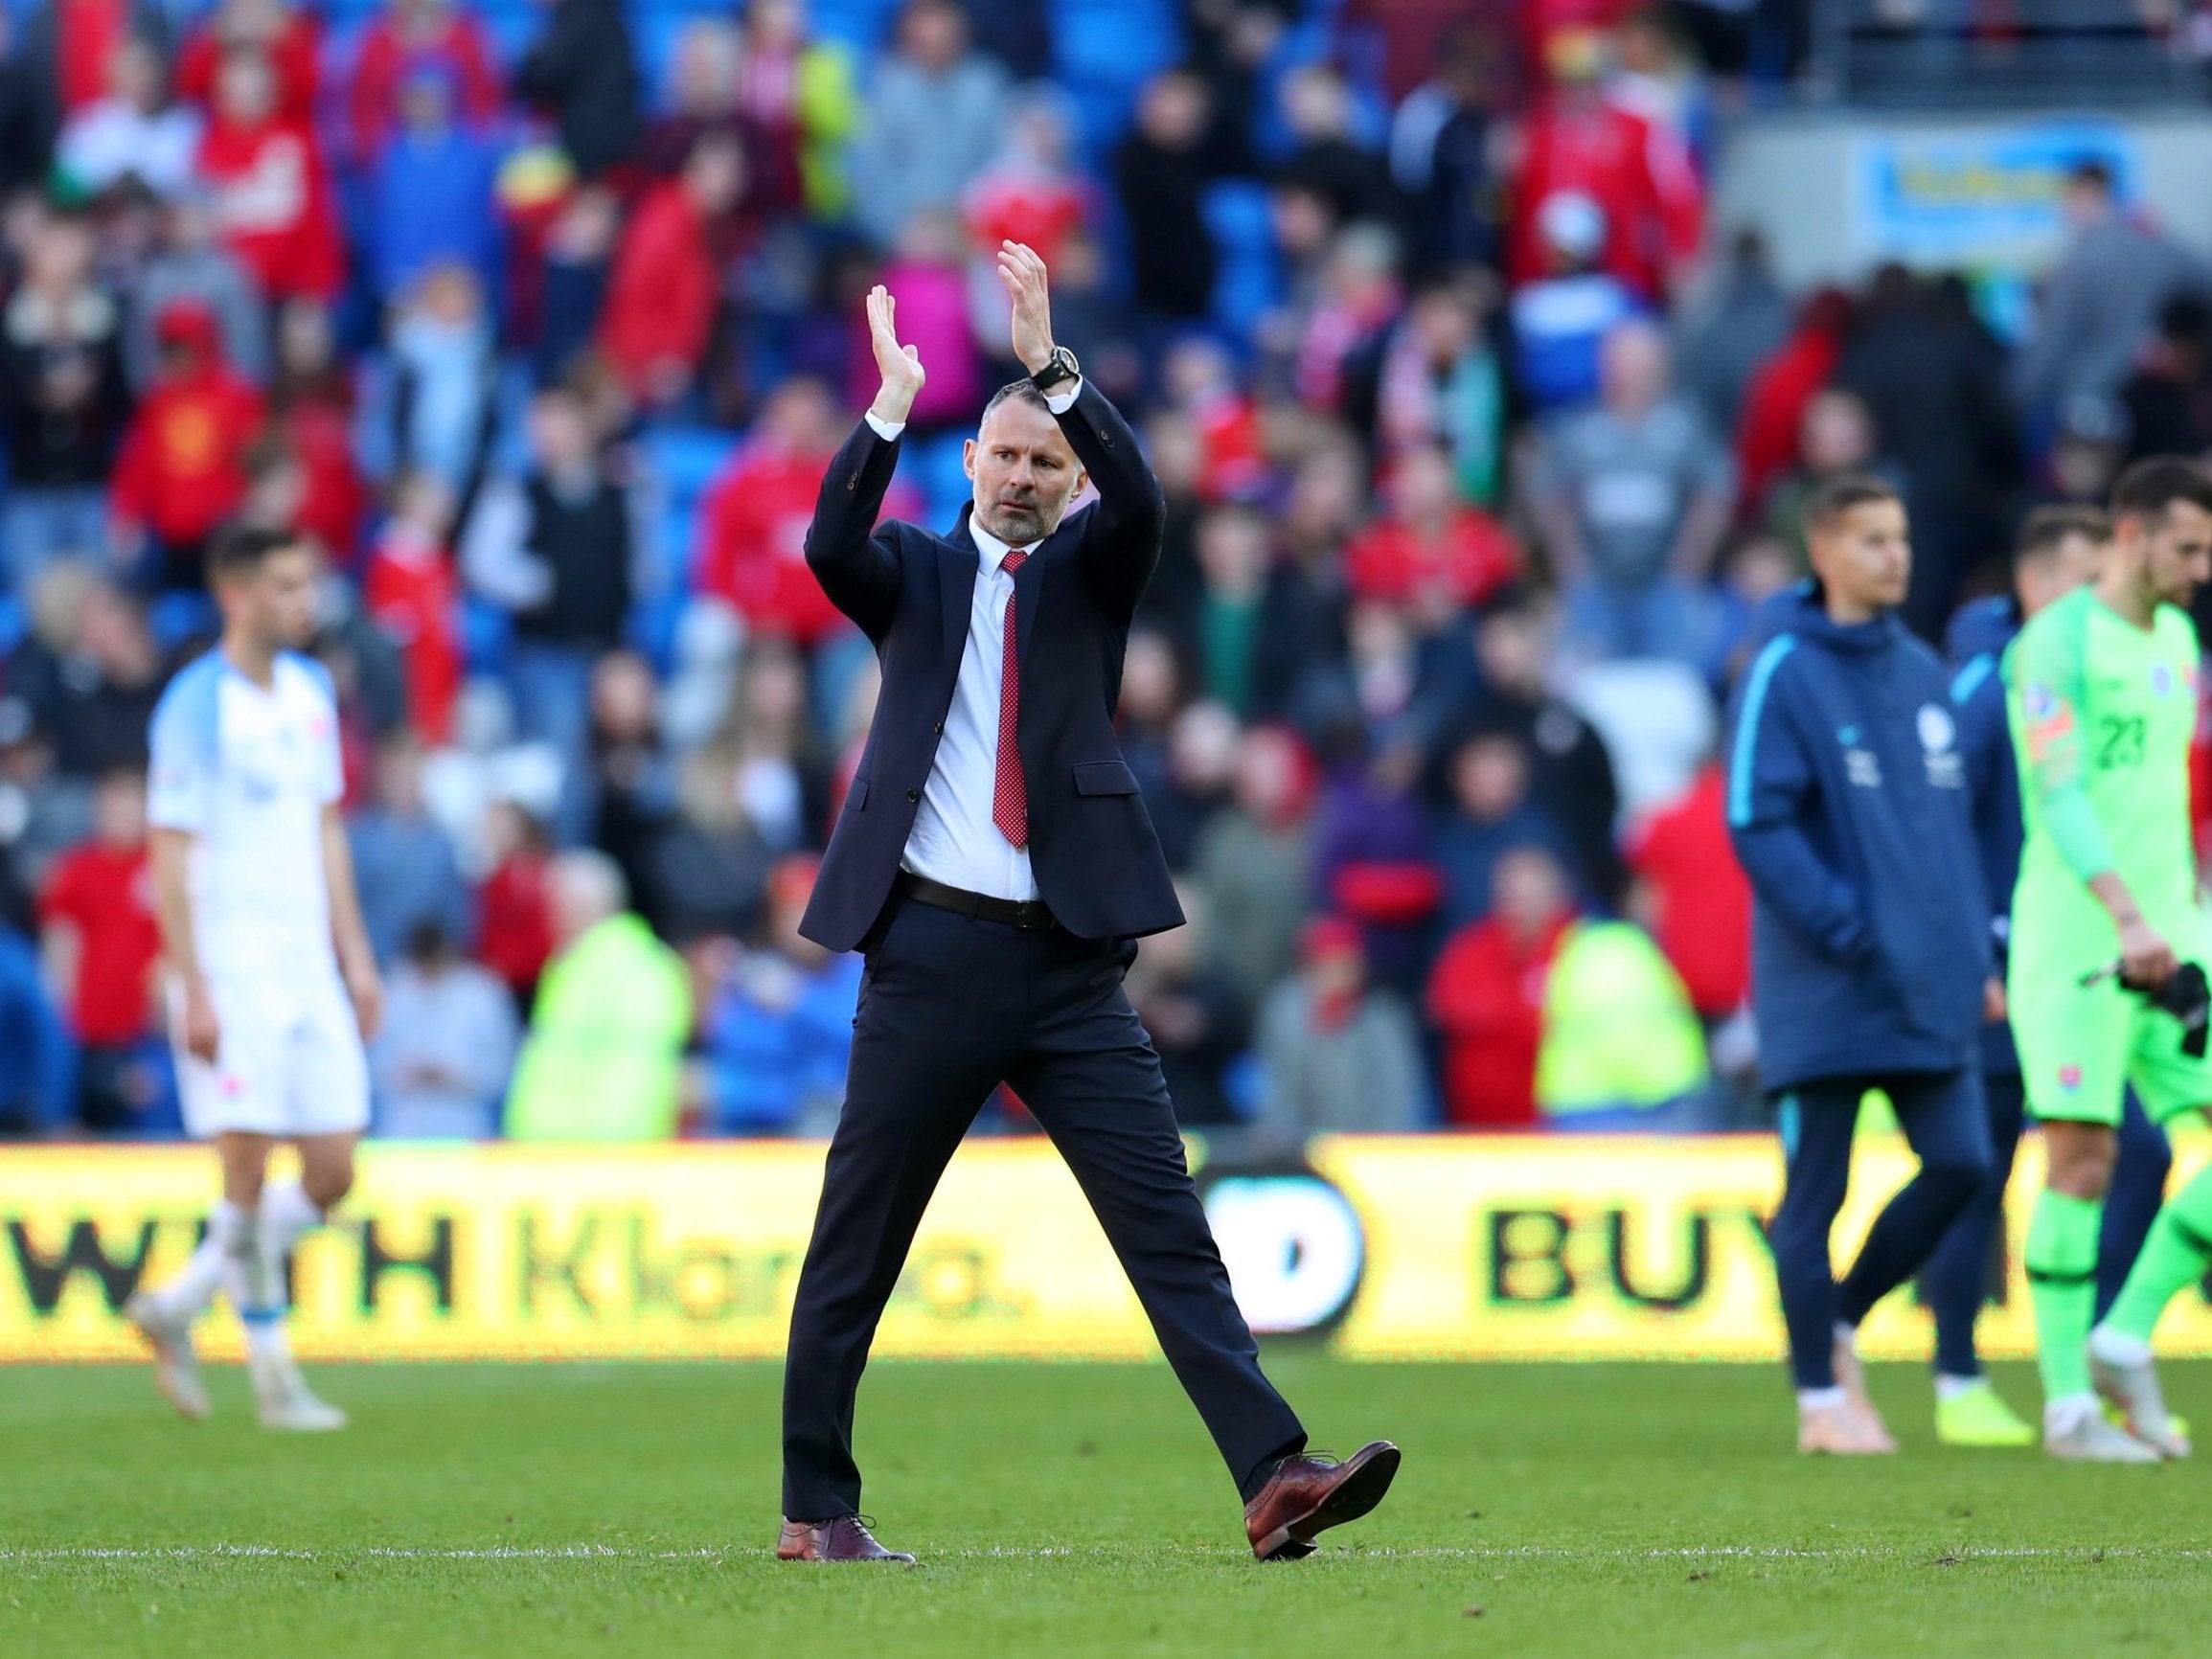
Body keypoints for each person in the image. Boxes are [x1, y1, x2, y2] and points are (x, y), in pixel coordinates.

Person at [776, 243, 1398, 1566]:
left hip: (1066, 970)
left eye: (1043, 465)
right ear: (968, 468)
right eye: (1003, 457)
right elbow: (827, 540)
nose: (1020, 476)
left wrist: (1054, 369)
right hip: (930, 949)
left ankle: (1275, 1474)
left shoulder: (1090, 575)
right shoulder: (911, 577)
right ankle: (816, 1509)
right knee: (858, 1242)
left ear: (1066, 489)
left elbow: (1146, 495)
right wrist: (889, 402)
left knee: (1169, 1227)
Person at [1724, 475, 1996, 1456]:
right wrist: (1845, 929)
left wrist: (1973, 948)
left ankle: (1834, 1318)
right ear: (1826, 551)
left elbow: (1947, 835)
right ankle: (1817, 1403)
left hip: (1929, 980)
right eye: (1874, 540)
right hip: (1827, 988)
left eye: (1901, 537)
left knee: (1964, 1162)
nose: (1896, 555)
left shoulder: (1923, 671)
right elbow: (1754, 819)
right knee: (1816, 1192)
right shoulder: (1783, 669)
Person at [123, 525, 383, 1432]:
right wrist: (191, 983)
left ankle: (181, 1299)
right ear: (235, 595)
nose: (304, 601)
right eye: (283, 585)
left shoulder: (311, 690)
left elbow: (326, 829)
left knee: (332, 1163)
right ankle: (275, 1379)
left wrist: (354, 955)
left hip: (309, 960)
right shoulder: (195, 707)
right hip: (232, 966)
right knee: (245, 1161)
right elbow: (168, 853)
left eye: (307, 583)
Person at [1923, 506, 2171, 1448]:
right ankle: (1956, 1377)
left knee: (2132, 1153)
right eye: (2076, 587)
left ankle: (2095, 1356)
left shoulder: (2091, 676)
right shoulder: (1989, 687)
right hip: (2005, 961)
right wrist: (1974, 952)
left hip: (2077, 956)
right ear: (2034, 588)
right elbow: (1946, 829)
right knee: (1972, 1170)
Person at [2003, 459, 2212, 1462]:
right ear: (2129, 534)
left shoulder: (2175, 638)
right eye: (2186, 547)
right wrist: (2126, 915)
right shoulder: (2052, 644)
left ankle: (2123, 1332)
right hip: (2083, 940)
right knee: (2080, 1162)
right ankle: (2065, 1408)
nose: (2200, 568)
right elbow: (2061, 794)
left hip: (2177, 932)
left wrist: (2182, 907)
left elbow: (2166, 795)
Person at [502, 850, 690, 1141]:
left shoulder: (637, 969)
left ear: (581, 905)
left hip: (593, 1169)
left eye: (555, 903)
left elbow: (635, 1080)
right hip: (554, 1166)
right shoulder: (573, 967)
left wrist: (602, 1169)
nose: (551, 915)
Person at [370, 920, 514, 1139]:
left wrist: (453, 1077)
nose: (429, 972)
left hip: (466, 1130)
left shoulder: (482, 994)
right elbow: (371, 1066)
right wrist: (407, 1073)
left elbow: (503, 1068)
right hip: (402, 1132)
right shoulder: (394, 992)